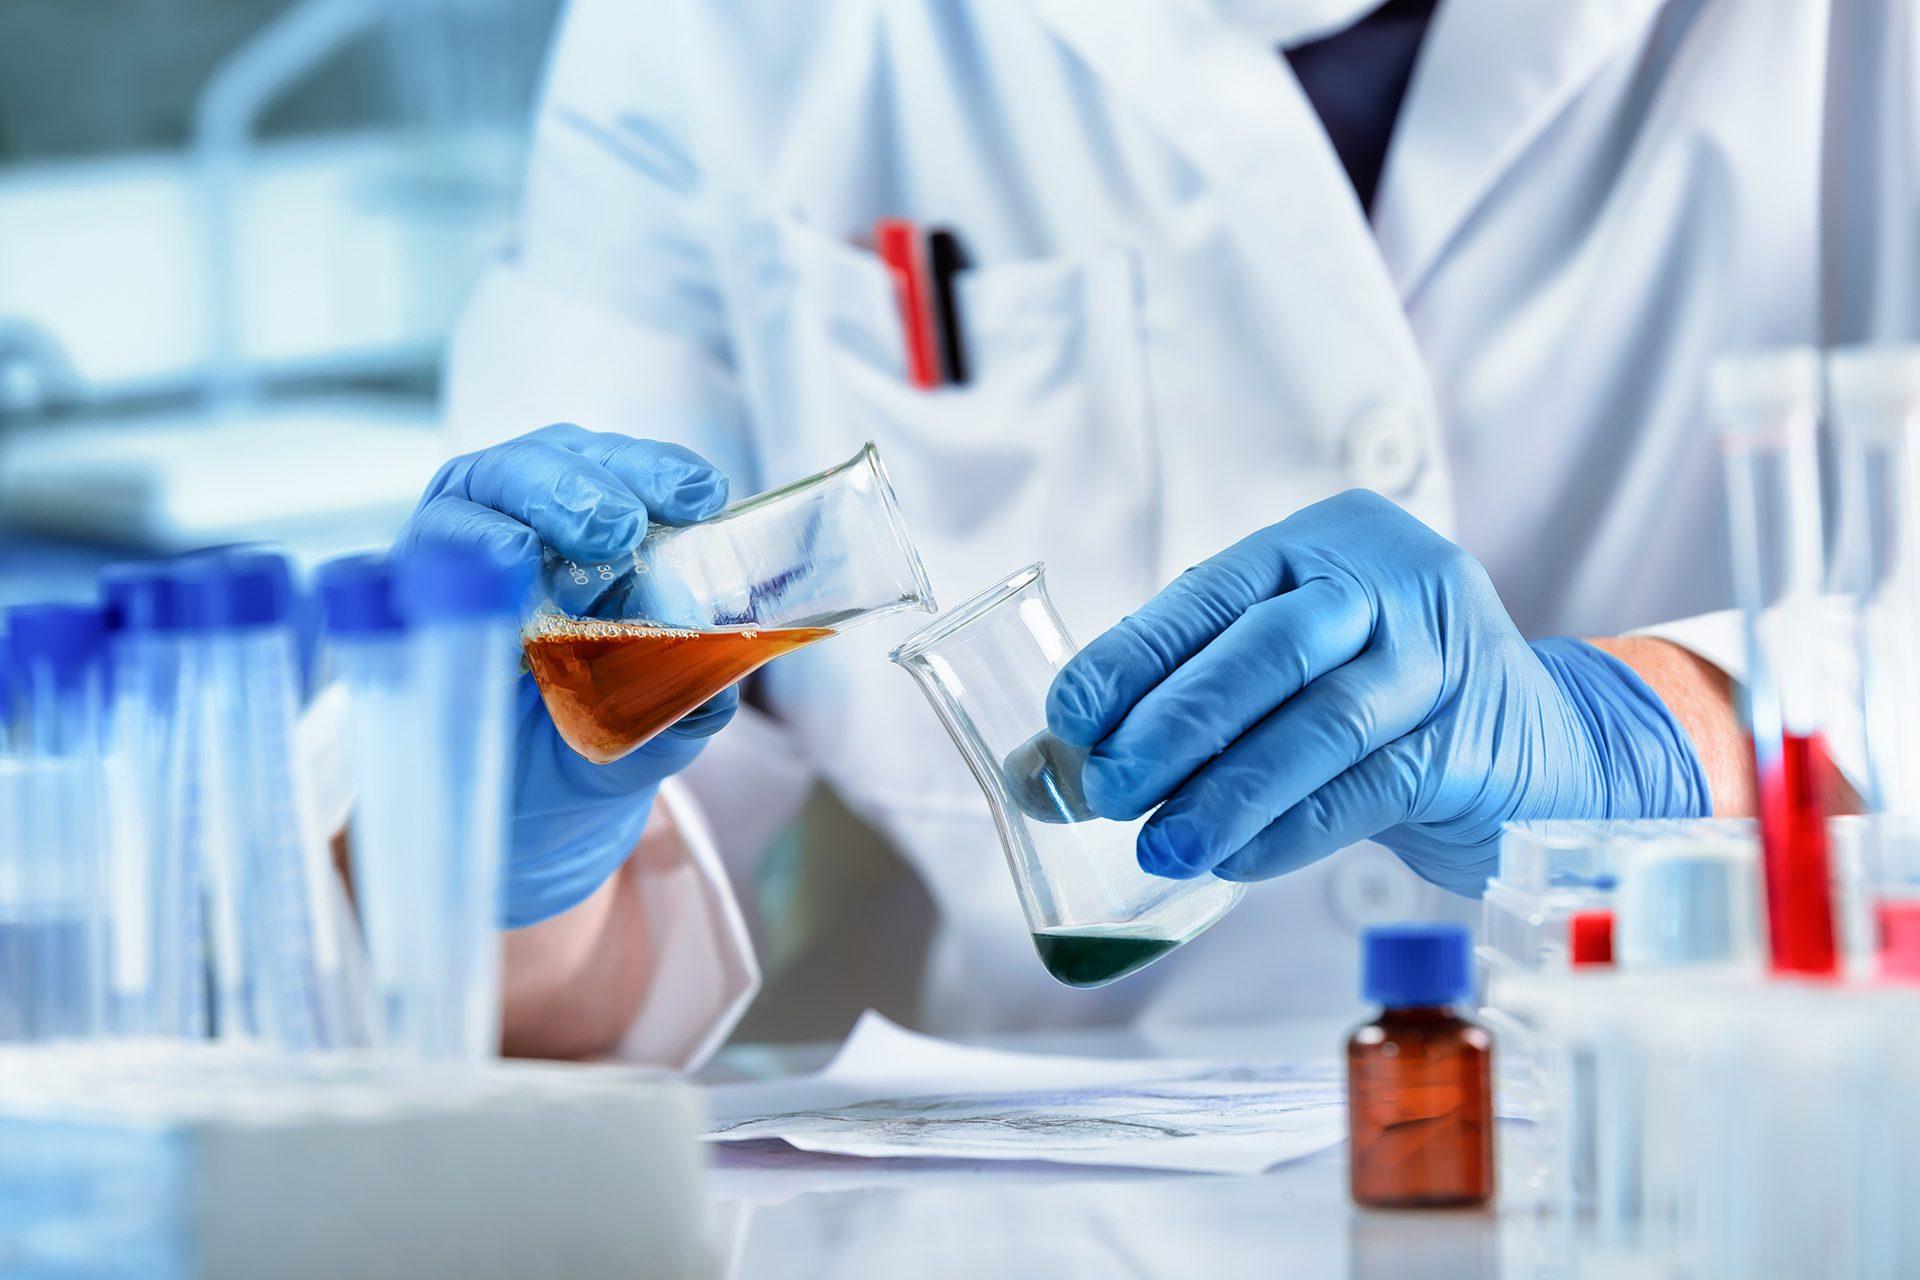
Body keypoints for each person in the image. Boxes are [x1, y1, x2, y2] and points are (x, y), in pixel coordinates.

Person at [416, 0, 1912, 1064]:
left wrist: (1660, 738)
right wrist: (491, 865)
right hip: (1055, 1223)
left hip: (1751, 1142)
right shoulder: (716, 36)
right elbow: (559, 997)